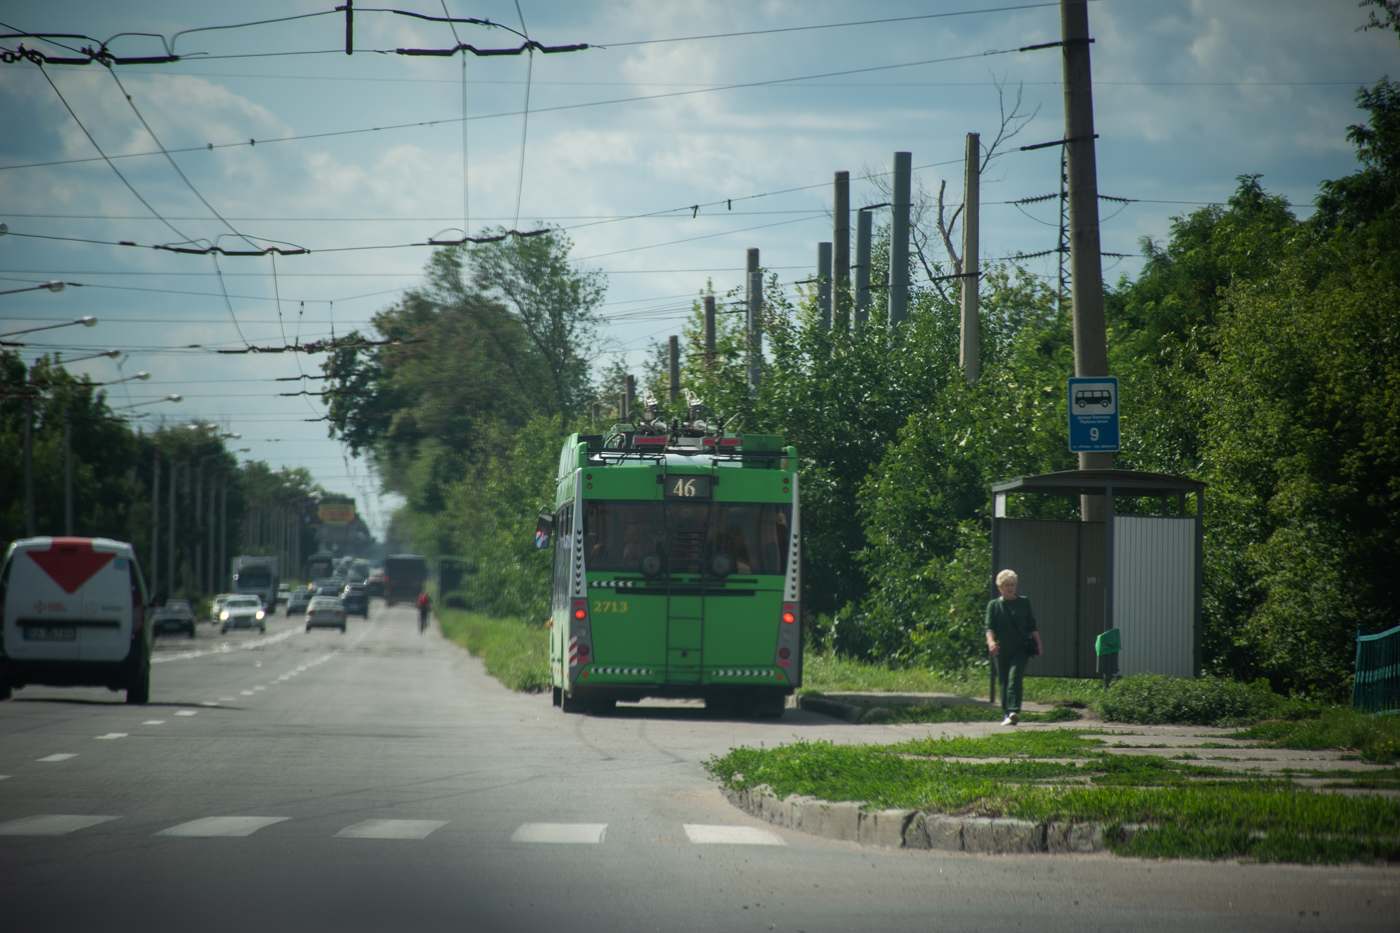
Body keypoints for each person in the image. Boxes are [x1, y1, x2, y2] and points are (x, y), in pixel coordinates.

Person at [985, 569, 1043, 726]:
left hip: (1021, 649)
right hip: (1001, 649)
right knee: (1003, 681)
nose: (1010, 588)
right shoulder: (994, 605)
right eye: (1006, 585)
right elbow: (989, 627)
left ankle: (1014, 711)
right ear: (1000, 587)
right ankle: (1007, 714)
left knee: (1014, 678)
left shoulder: (1024, 602)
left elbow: (1032, 624)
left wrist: (1038, 643)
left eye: (1012, 584)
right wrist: (991, 642)